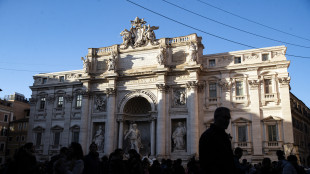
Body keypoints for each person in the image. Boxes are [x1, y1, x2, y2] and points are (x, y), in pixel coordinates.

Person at [199, 107, 236, 174]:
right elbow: (207, 163)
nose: (227, 121)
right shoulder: (208, 136)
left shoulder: (225, 136)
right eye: (225, 117)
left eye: (228, 118)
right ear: (216, 118)